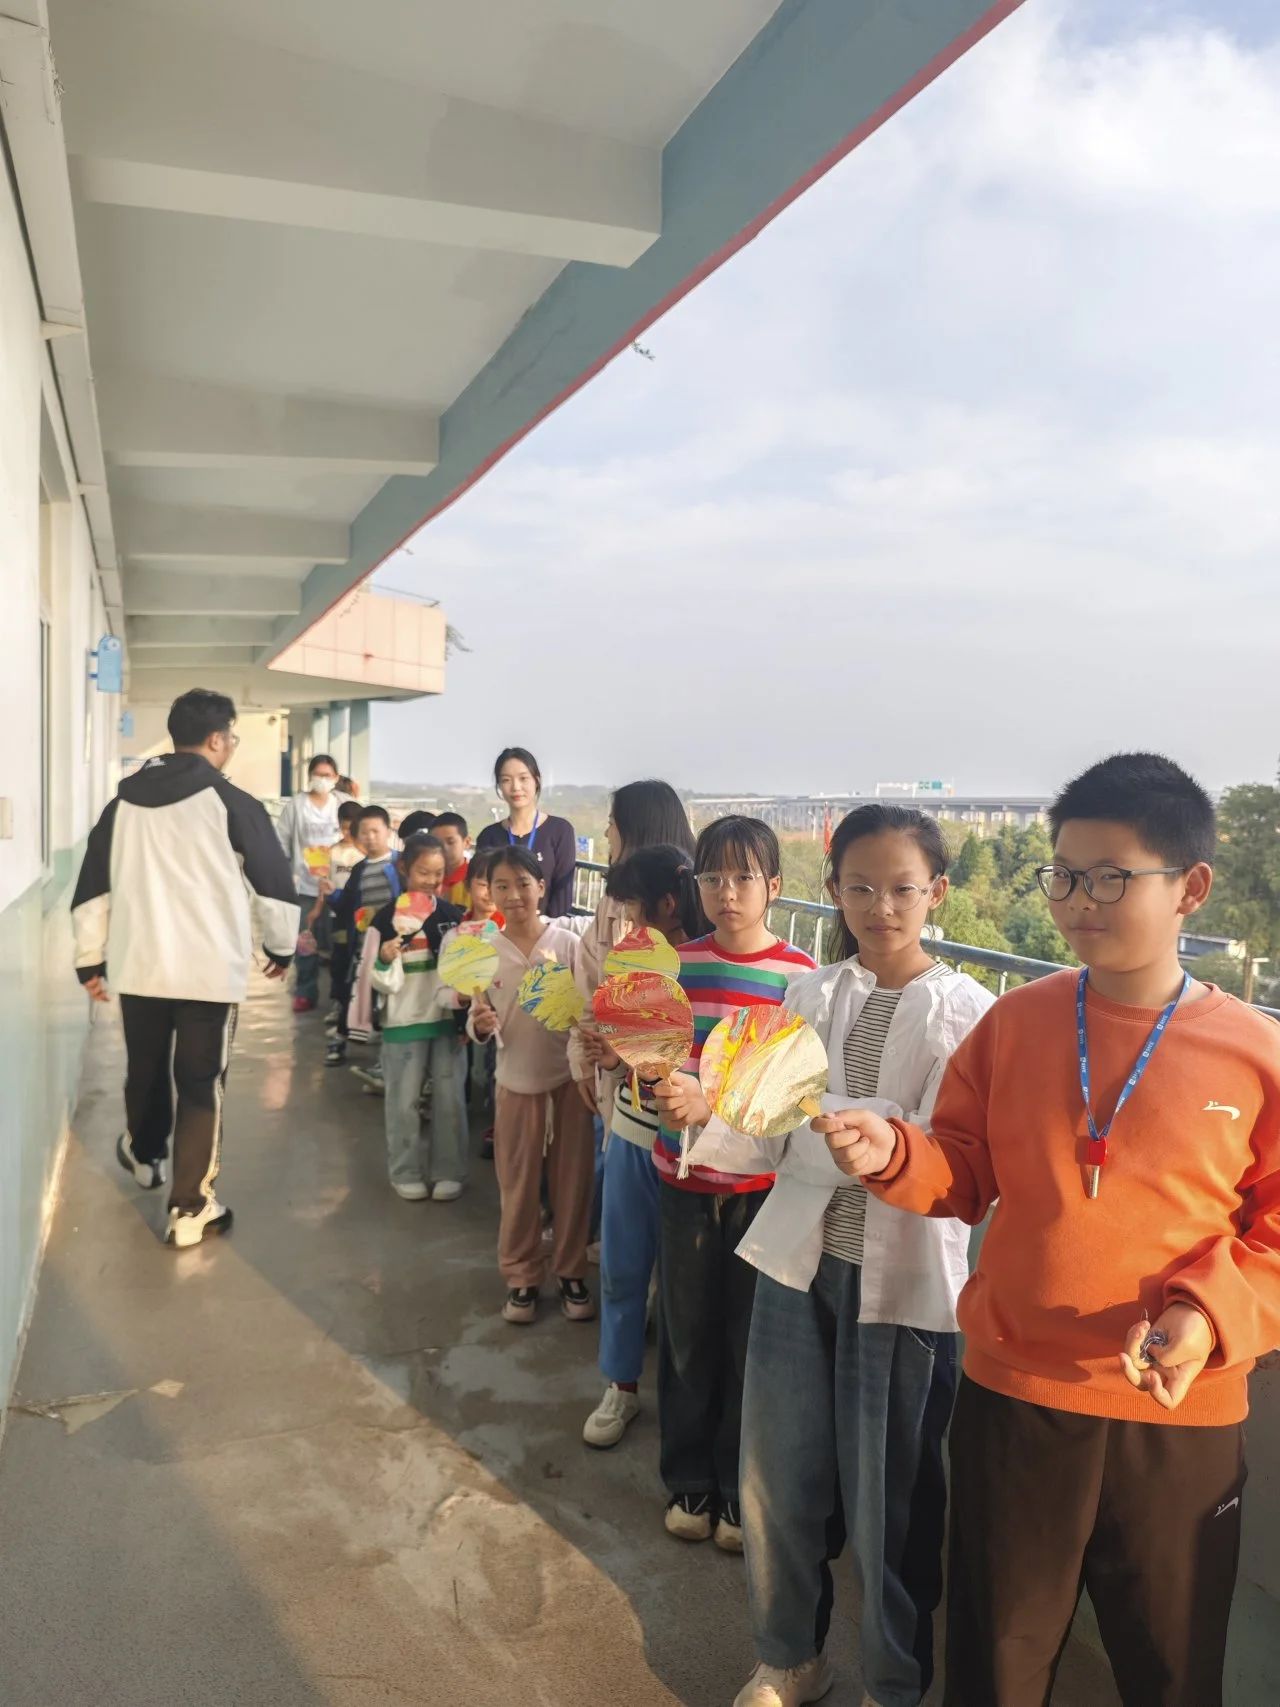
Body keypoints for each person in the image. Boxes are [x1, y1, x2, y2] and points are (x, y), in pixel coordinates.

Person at [821, 754, 1280, 1707]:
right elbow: (963, 1168)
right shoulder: (1017, 1022)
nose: (1078, 901)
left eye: (1110, 876)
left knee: (1171, 1670)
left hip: (1178, 1417)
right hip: (1014, 1398)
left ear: (1191, 886)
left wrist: (1205, 1314)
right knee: (995, 1661)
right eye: (1063, 874)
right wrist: (894, 1151)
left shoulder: (1253, 1051)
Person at [731, 806, 993, 1707]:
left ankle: (893, 1682)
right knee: (776, 1475)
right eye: (860, 887)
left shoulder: (969, 1013)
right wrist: (707, 1101)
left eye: (902, 888)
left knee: (895, 1501)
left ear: (937, 892)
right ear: (833, 889)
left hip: (906, 1289)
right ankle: (790, 1656)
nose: (881, 906)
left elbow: (955, 1156)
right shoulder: (808, 995)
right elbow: (767, 1127)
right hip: (799, 1268)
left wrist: (868, 1133)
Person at [71, 688, 299, 1247]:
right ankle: (191, 1209)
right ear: (217, 739)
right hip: (208, 973)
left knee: (145, 1069)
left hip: (139, 965)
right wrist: (281, 948)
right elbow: (274, 883)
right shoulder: (232, 802)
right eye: (232, 737)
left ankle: (145, 1153)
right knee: (199, 1085)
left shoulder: (122, 805)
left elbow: (92, 886)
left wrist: (89, 960)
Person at [651, 817, 816, 1551]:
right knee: (686, 1335)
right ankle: (688, 1479)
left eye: (744, 876)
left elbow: (792, 1089)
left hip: (762, 1187)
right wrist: (650, 1077)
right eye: (712, 877)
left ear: (773, 886)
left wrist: (711, 1101)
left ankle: (737, 1486)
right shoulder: (676, 965)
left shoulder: (800, 976)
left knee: (751, 1342)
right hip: (681, 1177)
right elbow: (654, 1060)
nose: (727, 892)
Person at [582, 844, 707, 1450]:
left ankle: (690, 1404)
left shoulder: (707, 966)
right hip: (634, 1132)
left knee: (690, 1287)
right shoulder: (633, 971)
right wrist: (609, 1053)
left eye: (632, 907)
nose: (626, 922)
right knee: (623, 1265)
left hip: (698, 1150)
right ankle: (621, 1384)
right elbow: (624, 1060)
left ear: (668, 902)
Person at [465, 847, 596, 1326]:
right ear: (490, 892)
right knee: (517, 1187)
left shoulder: (569, 944)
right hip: (515, 1086)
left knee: (572, 1185)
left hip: (569, 1086)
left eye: (523, 883)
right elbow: (477, 1021)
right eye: (501, 885)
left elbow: (588, 1014)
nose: (513, 895)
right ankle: (521, 1275)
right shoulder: (483, 952)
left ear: (541, 886)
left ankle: (571, 1271)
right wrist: (478, 1025)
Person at [369, 834, 468, 1201]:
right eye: (423, 872)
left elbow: (465, 973)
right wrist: (385, 958)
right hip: (401, 1024)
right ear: (403, 868)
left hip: (446, 1021)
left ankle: (449, 1171)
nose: (431, 880)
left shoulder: (452, 917)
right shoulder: (384, 919)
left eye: (438, 873)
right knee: (403, 1101)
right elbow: (374, 980)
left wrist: (465, 1020)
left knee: (450, 1100)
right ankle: (405, 1171)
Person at [329, 806, 401, 1087]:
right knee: (359, 994)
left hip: (394, 946)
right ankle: (343, 1040)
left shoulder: (400, 864)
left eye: (375, 831)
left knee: (390, 1002)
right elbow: (348, 904)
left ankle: (385, 1063)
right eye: (364, 833)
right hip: (365, 945)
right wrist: (331, 895)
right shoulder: (359, 869)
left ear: (388, 831)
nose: (370, 838)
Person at [274, 755, 349, 1013]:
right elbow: (282, 840)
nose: (322, 779)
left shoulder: (343, 804)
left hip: (338, 886)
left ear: (336, 778)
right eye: (318, 774)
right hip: (306, 885)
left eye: (327, 775)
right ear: (309, 777)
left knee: (339, 940)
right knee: (305, 941)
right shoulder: (297, 805)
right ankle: (305, 991)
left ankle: (341, 996)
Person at [473, 747, 577, 918]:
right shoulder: (489, 836)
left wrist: (541, 926)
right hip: (499, 930)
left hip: (547, 930)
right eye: (506, 780)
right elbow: (484, 891)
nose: (516, 787)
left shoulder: (560, 830)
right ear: (499, 786)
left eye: (523, 778)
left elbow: (562, 894)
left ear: (537, 781)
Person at [463, 846, 503, 1158]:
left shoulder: (508, 927)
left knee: (495, 1071)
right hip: (470, 1012)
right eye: (481, 884)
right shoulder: (460, 929)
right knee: (479, 1072)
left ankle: (498, 1125)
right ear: (468, 886)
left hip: (503, 1016)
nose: (488, 893)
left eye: (496, 885)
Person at [432, 812, 473, 908]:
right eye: (437, 843)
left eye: (450, 842)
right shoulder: (427, 881)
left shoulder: (475, 881)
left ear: (466, 842)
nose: (444, 848)